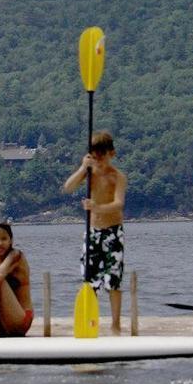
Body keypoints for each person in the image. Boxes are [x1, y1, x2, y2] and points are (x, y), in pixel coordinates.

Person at [64, 130, 128, 333]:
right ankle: (89, 320)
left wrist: (97, 207)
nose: (99, 161)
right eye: (95, 156)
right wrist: (83, 167)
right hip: (92, 232)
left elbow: (118, 204)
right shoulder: (89, 173)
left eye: (103, 156)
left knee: (113, 278)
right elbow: (68, 187)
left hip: (113, 232)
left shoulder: (117, 177)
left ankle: (115, 324)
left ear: (112, 154)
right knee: (90, 278)